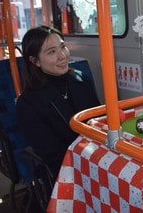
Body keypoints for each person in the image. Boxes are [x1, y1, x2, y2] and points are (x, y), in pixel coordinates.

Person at [16, 26, 100, 180]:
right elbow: (53, 154)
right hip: (68, 170)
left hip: (97, 156)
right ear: (35, 61)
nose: (62, 56)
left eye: (63, 47)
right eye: (51, 52)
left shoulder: (80, 80)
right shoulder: (27, 104)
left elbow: (100, 120)